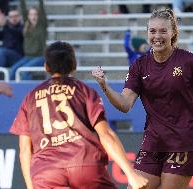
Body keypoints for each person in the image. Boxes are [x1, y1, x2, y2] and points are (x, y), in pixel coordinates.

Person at [92, 8, 193, 189]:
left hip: (184, 142)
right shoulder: (139, 66)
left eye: (163, 31)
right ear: (147, 33)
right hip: (153, 142)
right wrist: (104, 85)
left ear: (173, 33)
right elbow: (125, 104)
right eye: (153, 31)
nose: (157, 36)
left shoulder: (190, 62)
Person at [9, 41, 148, 189]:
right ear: (74, 65)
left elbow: (24, 149)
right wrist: (131, 174)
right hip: (84, 165)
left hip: (46, 172)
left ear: (46, 67)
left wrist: (31, 187)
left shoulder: (30, 98)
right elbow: (106, 134)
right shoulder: (85, 92)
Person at [9, 0, 47, 80]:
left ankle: (28, 92)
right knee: (12, 71)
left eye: (35, 14)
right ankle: (12, 91)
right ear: (28, 16)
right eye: (31, 14)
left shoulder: (42, 25)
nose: (33, 16)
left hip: (40, 57)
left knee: (23, 71)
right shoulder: (27, 25)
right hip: (27, 57)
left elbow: (42, 9)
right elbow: (23, 9)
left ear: (38, 15)